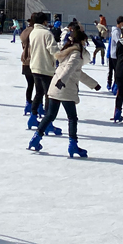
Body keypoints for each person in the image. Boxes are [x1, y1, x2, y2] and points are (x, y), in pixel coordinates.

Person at [29, 29, 101, 157]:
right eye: (84, 41)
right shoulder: (76, 54)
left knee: (50, 115)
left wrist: (93, 84)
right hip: (65, 88)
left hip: (56, 86)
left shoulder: (68, 51)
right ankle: (73, 145)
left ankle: (35, 139)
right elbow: (69, 68)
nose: (85, 44)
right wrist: (62, 81)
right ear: (81, 41)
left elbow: (77, 72)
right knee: (72, 118)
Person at [27, 12, 61, 133]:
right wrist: (61, 56)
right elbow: (53, 50)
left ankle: (33, 116)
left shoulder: (33, 32)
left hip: (35, 66)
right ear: (44, 22)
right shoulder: (47, 33)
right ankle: (47, 123)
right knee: (48, 95)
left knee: (39, 92)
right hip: (46, 67)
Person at [20, 16, 35, 115]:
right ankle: (38, 106)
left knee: (30, 85)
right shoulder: (35, 31)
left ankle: (28, 103)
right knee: (39, 87)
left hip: (25, 60)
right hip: (34, 60)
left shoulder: (24, 32)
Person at [107, 16, 123, 92]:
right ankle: (115, 86)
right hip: (115, 54)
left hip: (115, 54)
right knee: (117, 71)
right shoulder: (116, 31)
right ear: (120, 23)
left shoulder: (118, 31)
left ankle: (113, 85)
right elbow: (118, 41)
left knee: (116, 71)